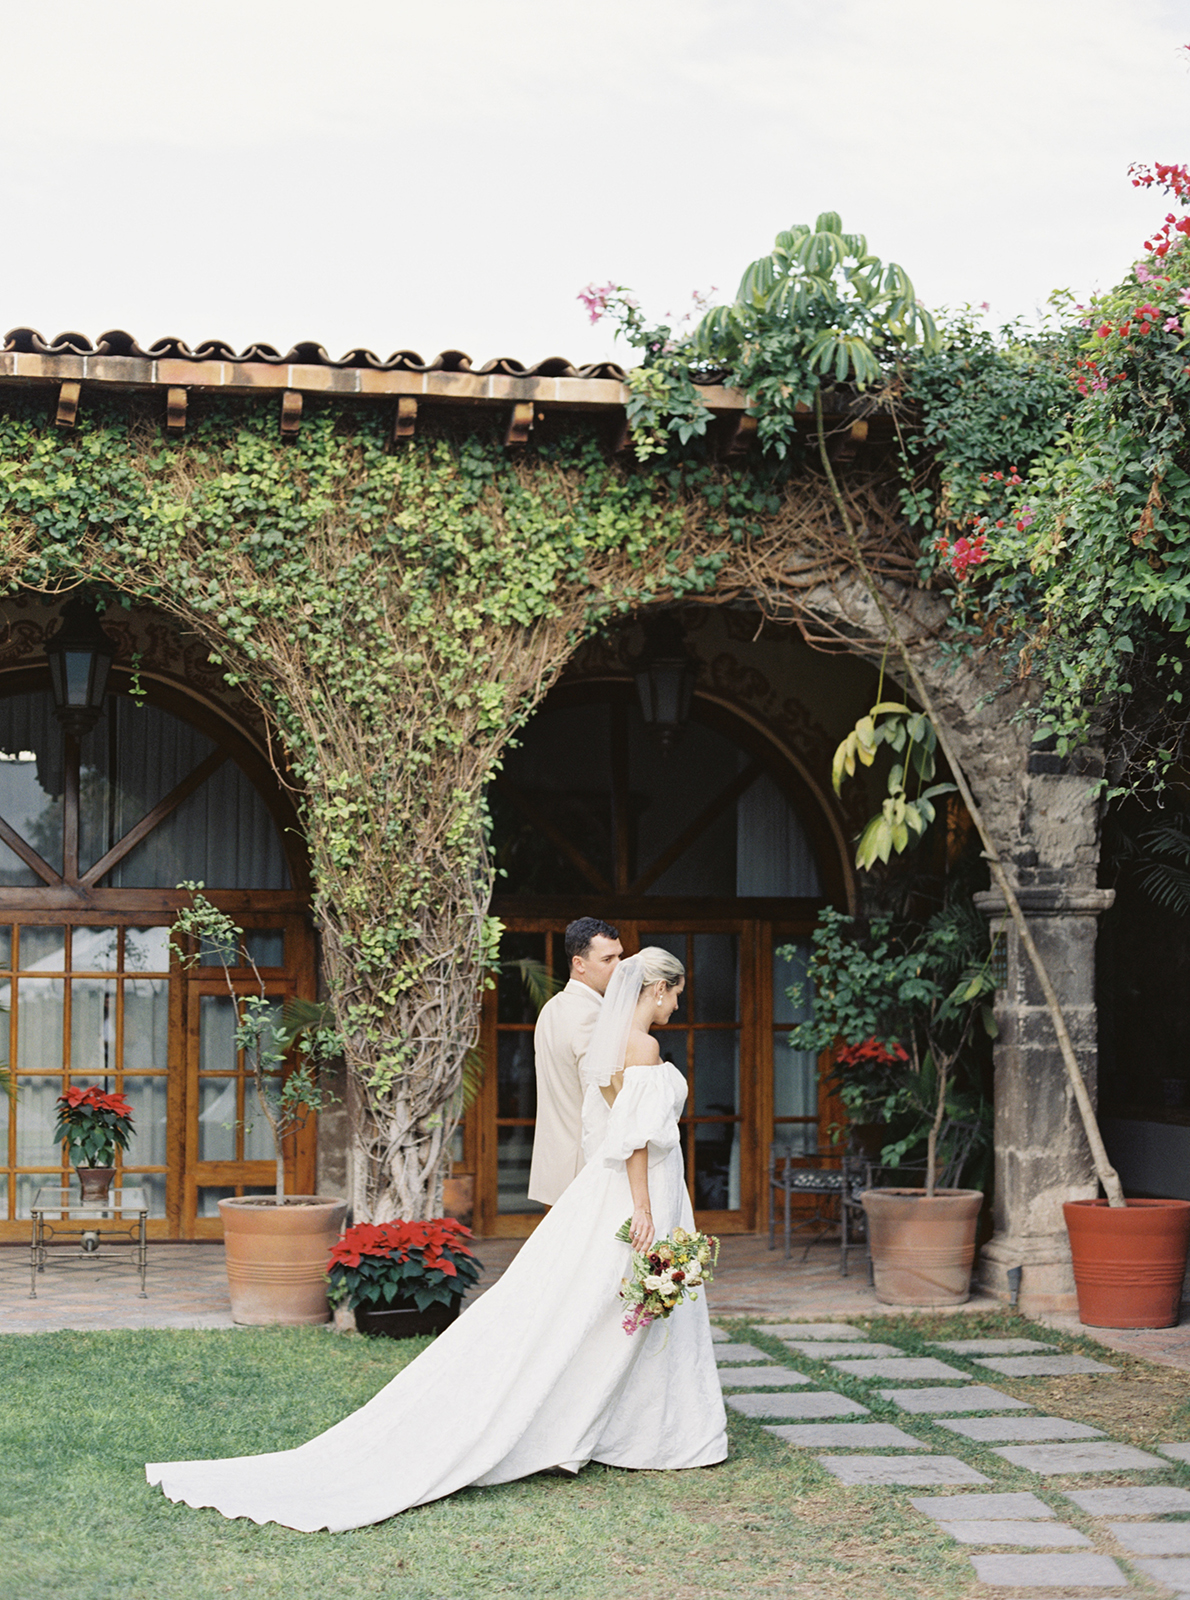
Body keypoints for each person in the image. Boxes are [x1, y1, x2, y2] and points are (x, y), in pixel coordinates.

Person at [146, 949, 727, 1533]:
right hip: (639, 1190)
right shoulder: (643, 1047)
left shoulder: (609, 1042)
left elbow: (607, 1127)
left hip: (614, 1190)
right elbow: (635, 1140)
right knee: (613, 1302)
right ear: (656, 990)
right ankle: (635, 1428)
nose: (678, 1004)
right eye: (676, 993)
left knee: (600, 1306)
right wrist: (646, 1207)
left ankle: (624, 1423)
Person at [527, 916, 623, 1207]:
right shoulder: (592, 1017)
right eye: (608, 959)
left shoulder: (552, 1008)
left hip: (554, 1164)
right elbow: (602, 1098)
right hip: (584, 1167)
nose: (619, 967)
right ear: (579, 964)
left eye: (621, 956)